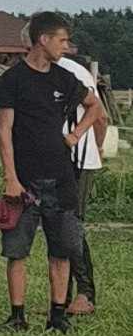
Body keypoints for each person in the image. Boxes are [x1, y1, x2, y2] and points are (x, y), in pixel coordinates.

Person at [0, 11, 103, 333]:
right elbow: (4, 131)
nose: (66, 47)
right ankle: (17, 316)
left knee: (63, 250)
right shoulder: (13, 80)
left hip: (61, 178)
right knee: (17, 251)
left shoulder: (63, 78)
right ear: (43, 40)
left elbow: (94, 106)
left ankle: (58, 316)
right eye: (62, 40)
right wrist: (10, 178)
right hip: (24, 180)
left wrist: (74, 135)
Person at [58, 50, 106, 316]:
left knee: (71, 226)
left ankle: (85, 293)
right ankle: (61, 295)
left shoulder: (73, 72)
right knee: (57, 227)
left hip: (77, 161)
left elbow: (100, 116)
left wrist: (92, 149)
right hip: (53, 161)